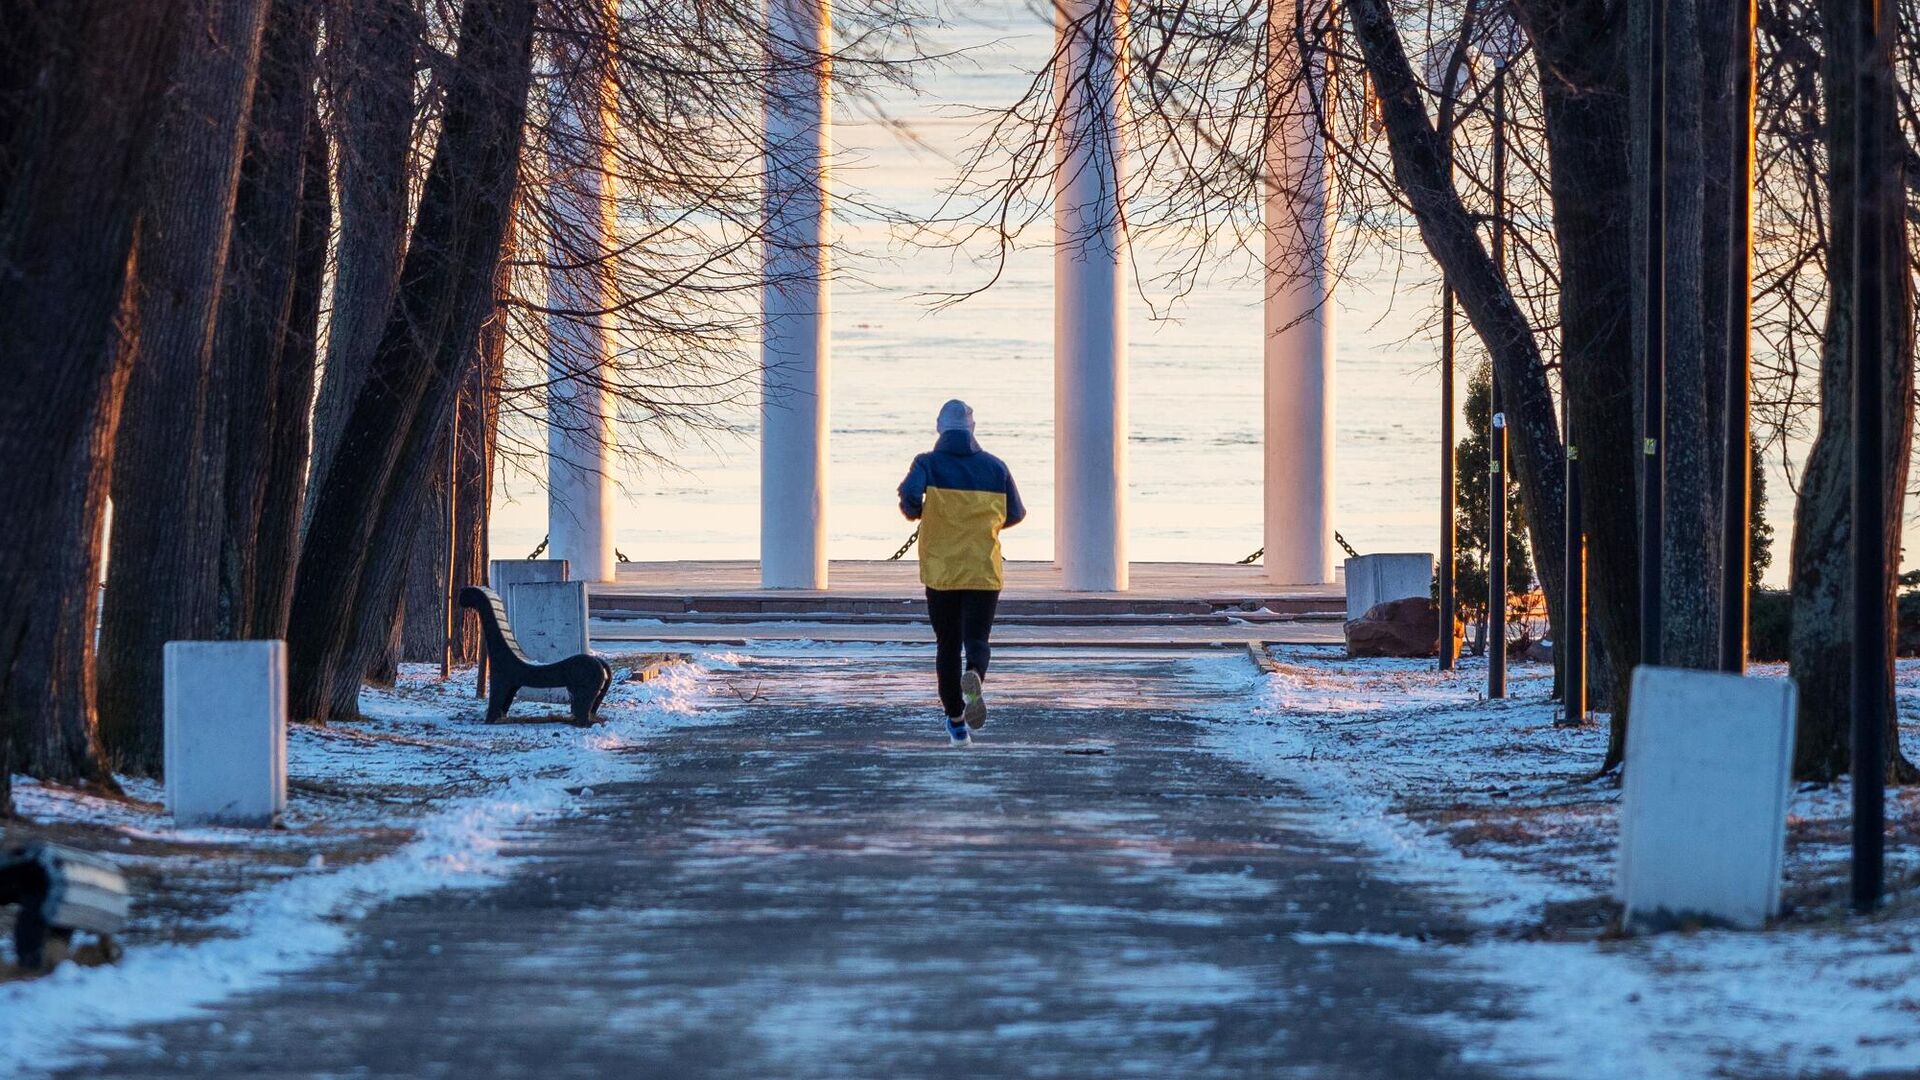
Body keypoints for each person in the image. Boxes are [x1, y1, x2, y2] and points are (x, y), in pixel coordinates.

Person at [898, 399, 1025, 746]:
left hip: (942, 570)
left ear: (940, 427)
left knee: (947, 645)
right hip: (983, 568)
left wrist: (921, 512)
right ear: (972, 429)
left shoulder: (926, 463)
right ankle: (975, 676)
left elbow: (909, 498)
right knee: (978, 640)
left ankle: (956, 721)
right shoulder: (996, 467)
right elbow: (1016, 512)